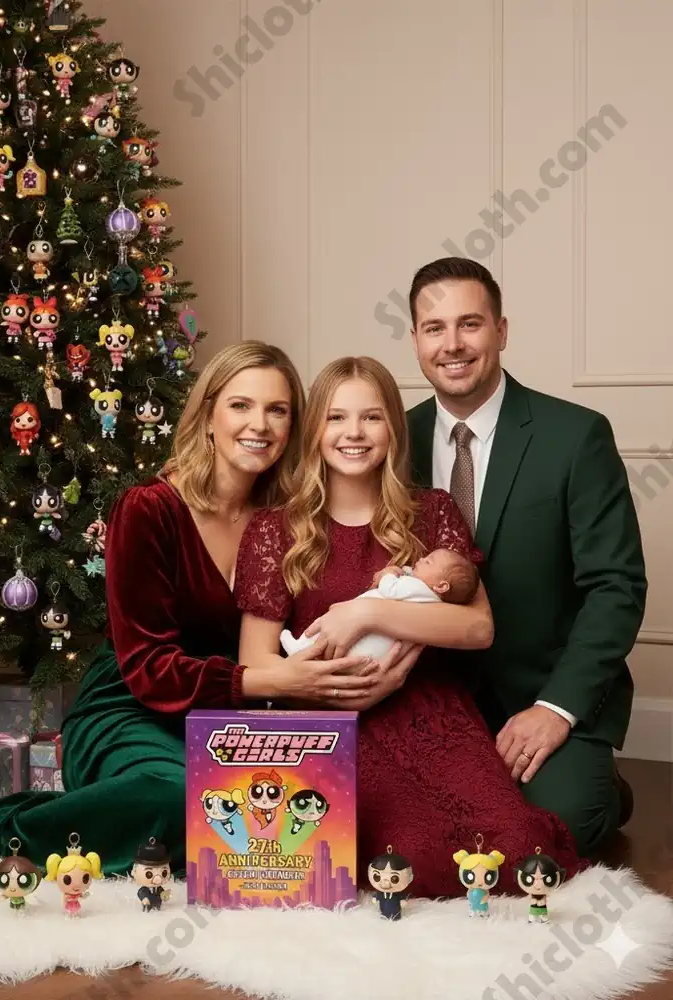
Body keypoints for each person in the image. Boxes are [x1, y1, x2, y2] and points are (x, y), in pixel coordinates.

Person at [0, 340, 329, 871]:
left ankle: (25, 809)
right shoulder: (149, 509)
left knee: (262, 822)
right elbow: (149, 670)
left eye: (278, 410)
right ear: (207, 417)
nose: (260, 425)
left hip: (229, 722)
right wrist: (271, 682)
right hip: (129, 708)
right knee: (183, 800)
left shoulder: (287, 520)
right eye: (241, 405)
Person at [236, 355, 583, 897]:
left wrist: (368, 611)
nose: (354, 433)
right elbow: (255, 663)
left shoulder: (432, 512)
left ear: (393, 428)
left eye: (371, 417)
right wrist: (330, 690)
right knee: (391, 859)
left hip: (430, 713)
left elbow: (478, 628)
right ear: (315, 431)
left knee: (510, 852)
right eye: (336, 418)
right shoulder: (274, 530)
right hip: (326, 723)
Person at [403, 256, 646, 854]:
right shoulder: (389, 440)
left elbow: (615, 586)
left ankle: (600, 783)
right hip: (429, 701)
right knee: (399, 837)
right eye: (434, 328)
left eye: (470, 324)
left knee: (551, 835)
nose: (452, 344)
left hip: (538, 694)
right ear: (415, 340)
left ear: (502, 331)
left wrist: (556, 709)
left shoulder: (575, 436)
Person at [281, 547, 479, 659]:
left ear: (442, 586)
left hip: (369, 634)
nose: (421, 559)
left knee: (327, 635)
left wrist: (388, 574)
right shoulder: (428, 598)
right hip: (376, 646)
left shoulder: (418, 589)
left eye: (429, 562)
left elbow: (390, 590)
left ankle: (300, 648)